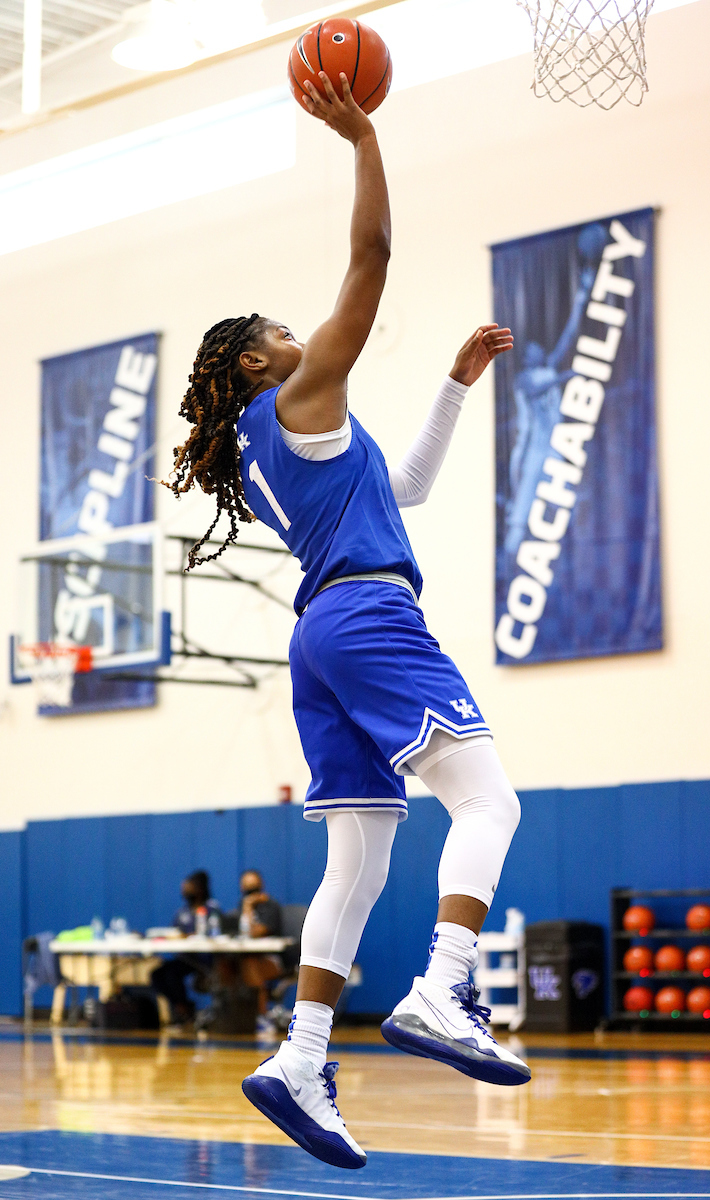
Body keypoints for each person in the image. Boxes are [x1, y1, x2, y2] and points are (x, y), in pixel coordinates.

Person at [165, 71, 529, 1170]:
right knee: (488, 799)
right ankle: (440, 990)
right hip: (370, 619)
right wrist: (364, 138)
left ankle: (300, 1056)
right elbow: (368, 264)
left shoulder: (285, 445)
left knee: (360, 862)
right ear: (254, 362)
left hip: (321, 635)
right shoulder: (296, 399)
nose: (300, 330)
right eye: (280, 328)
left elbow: (405, 490)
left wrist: (456, 384)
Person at [218, 870, 294, 1036]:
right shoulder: (240, 906)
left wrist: (248, 908)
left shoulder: (271, 907)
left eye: (254, 889)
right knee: (225, 962)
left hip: (273, 960)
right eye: (247, 889)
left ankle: (262, 1016)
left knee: (249, 964)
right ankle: (229, 1013)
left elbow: (254, 932)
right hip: (246, 956)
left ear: (261, 886)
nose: (250, 894)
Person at [151, 870, 221, 1023]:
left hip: (204, 959)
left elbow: (214, 932)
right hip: (186, 958)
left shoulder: (211, 909)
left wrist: (190, 935)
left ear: (200, 889)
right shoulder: (182, 912)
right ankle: (183, 1007)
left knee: (172, 975)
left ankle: (186, 1010)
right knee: (157, 974)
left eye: (188, 888)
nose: (185, 892)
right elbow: (174, 932)